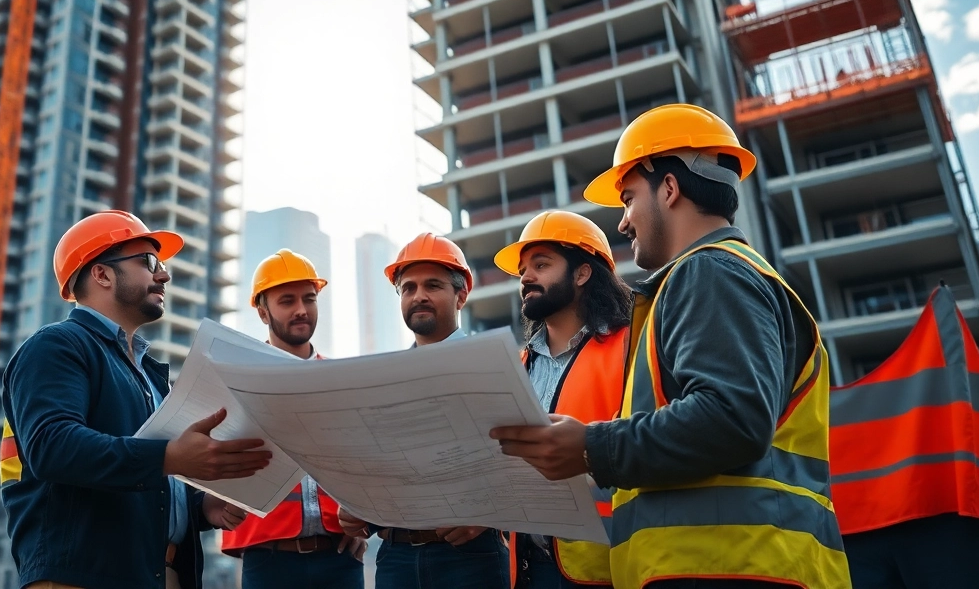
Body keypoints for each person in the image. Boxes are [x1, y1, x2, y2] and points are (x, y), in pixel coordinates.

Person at [490, 104, 851, 589]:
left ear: (670, 188)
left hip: (732, 567)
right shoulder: (716, 276)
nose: (623, 222)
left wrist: (592, 447)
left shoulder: (710, 270)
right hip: (731, 564)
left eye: (629, 198)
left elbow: (732, 417)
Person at [0, 210, 272, 589]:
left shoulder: (149, 376)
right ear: (102, 274)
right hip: (82, 577)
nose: (164, 274)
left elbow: (148, 485)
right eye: (150, 262)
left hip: (158, 574)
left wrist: (203, 509)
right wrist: (170, 457)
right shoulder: (56, 346)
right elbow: (52, 447)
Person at [338, 234, 510, 589]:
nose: (418, 296)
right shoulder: (382, 382)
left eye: (433, 285)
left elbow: (520, 459)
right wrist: (360, 510)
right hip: (395, 558)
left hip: (471, 557)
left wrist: (490, 512)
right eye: (408, 288)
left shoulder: (493, 367)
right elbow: (380, 466)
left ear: (461, 294)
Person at [492, 211, 631, 588]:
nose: (526, 277)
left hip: (608, 566)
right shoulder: (516, 367)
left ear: (583, 273)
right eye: (522, 269)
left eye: (541, 264)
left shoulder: (631, 348)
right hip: (526, 566)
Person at [223, 249, 367, 588]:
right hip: (268, 562)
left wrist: (367, 523)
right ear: (262, 311)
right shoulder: (235, 384)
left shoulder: (342, 382)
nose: (301, 309)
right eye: (287, 300)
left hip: (340, 559)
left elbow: (366, 467)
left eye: (309, 298)